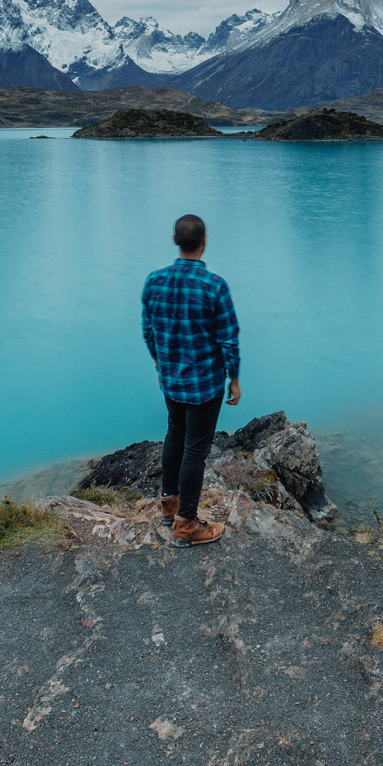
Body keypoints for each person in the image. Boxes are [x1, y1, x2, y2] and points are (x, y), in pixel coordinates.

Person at [141, 213, 241, 547]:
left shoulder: (154, 281)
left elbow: (149, 330)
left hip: (171, 379)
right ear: (204, 241)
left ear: (175, 241)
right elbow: (228, 338)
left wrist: (160, 363)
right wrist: (235, 379)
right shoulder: (214, 286)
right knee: (195, 450)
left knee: (174, 433)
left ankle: (168, 506)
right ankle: (185, 527)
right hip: (205, 384)